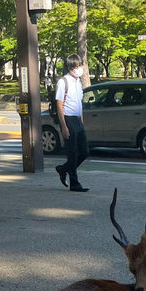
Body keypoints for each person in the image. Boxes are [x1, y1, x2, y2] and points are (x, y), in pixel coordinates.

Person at [54, 54, 89, 192]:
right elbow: (59, 104)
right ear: (72, 67)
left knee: (85, 151)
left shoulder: (78, 82)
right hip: (68, 119)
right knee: (72, 152)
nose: (81, 68)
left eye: (81, 65)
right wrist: (64, 126)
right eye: (78, 65)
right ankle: (74, 183)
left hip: (78, 120)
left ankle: (63, 169)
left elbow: (79, 103)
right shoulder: (63, 82)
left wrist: (82, 121)